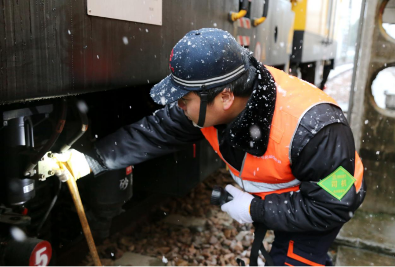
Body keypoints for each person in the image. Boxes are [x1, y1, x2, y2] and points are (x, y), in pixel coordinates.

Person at [56, 28, 366, 267]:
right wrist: (90, 161)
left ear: (225, 98)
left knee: (294, 257)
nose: (179, 106)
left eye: (184, 99)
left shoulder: (320, 131)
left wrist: (254, 209)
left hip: (326, 198)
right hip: (292, 193)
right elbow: (153, 132)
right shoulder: (208, 107)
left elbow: (331, 206)